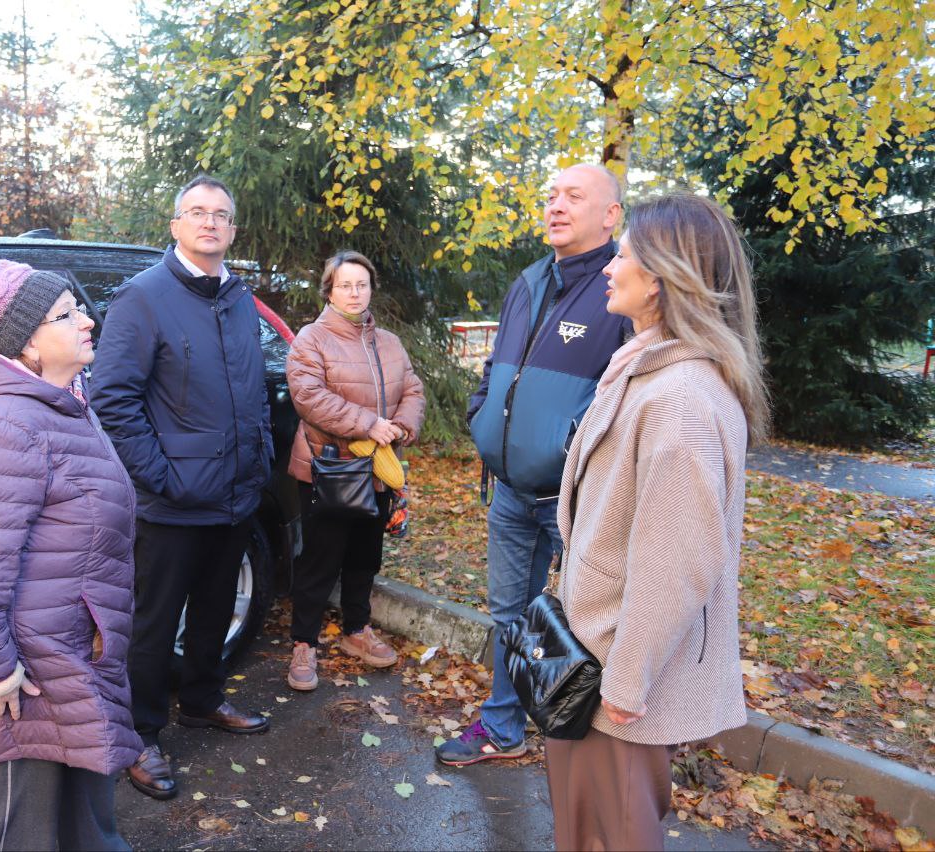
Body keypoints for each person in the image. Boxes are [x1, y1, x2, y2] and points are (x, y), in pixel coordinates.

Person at [547, 194, 767, 850]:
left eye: (625, 254)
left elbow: (677, 563)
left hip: (616, 679)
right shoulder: (647, 365)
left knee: (610, 833)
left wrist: (627, 678)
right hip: (594, 653)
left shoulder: (681, 399)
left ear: (663, 277)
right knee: (587, 823)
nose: (610, 266)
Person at [0, 246, 141, 852]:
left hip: (76, 642)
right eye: (67, 315)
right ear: (26, 344)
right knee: (30, 825)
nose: (87, 321)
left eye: (79, 309)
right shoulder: (4, 428)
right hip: (34, 668)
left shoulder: (64, 401)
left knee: (84, 802)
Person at [438, 164, 631, 766]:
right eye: (551, 195)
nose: (556, 205)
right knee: (510, 615)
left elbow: (632, 396)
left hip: (575, 500)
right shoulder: (526, 282)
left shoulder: (625, 286)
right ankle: (503, 726)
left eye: (574, 196)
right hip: (511, 491)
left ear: (611, 215)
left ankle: (587, 746)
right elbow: (500, 367)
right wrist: (481, 416)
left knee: (587, 626)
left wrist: (571, 445)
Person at [90, 175, 273, 801]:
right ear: (175, 226)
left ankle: (201, 700)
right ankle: (140, 734)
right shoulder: (143, 298)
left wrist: (262, 459)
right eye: (197, 212)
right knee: (153, 622)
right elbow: (112, 399)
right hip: (171, 502)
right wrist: (162, 476)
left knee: (217, 610)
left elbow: (252, 390)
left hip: (236, 493)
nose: (210, 223)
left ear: (232, 230)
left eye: (221, 214)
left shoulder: (239, 297)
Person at [284, 251, 425, 691]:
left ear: (370, 289)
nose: (354, 292)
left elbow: (413, 388)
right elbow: (307, 396)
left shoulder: (389, 342)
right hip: (330, 468)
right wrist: (368, 424)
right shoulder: (313, 338)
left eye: (361, 284)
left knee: (365, 557)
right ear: (329, 289)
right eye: (345, 284)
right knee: (320, 560)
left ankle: (356, 631)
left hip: (378, 470)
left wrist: (402, 425)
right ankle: (303, 643)